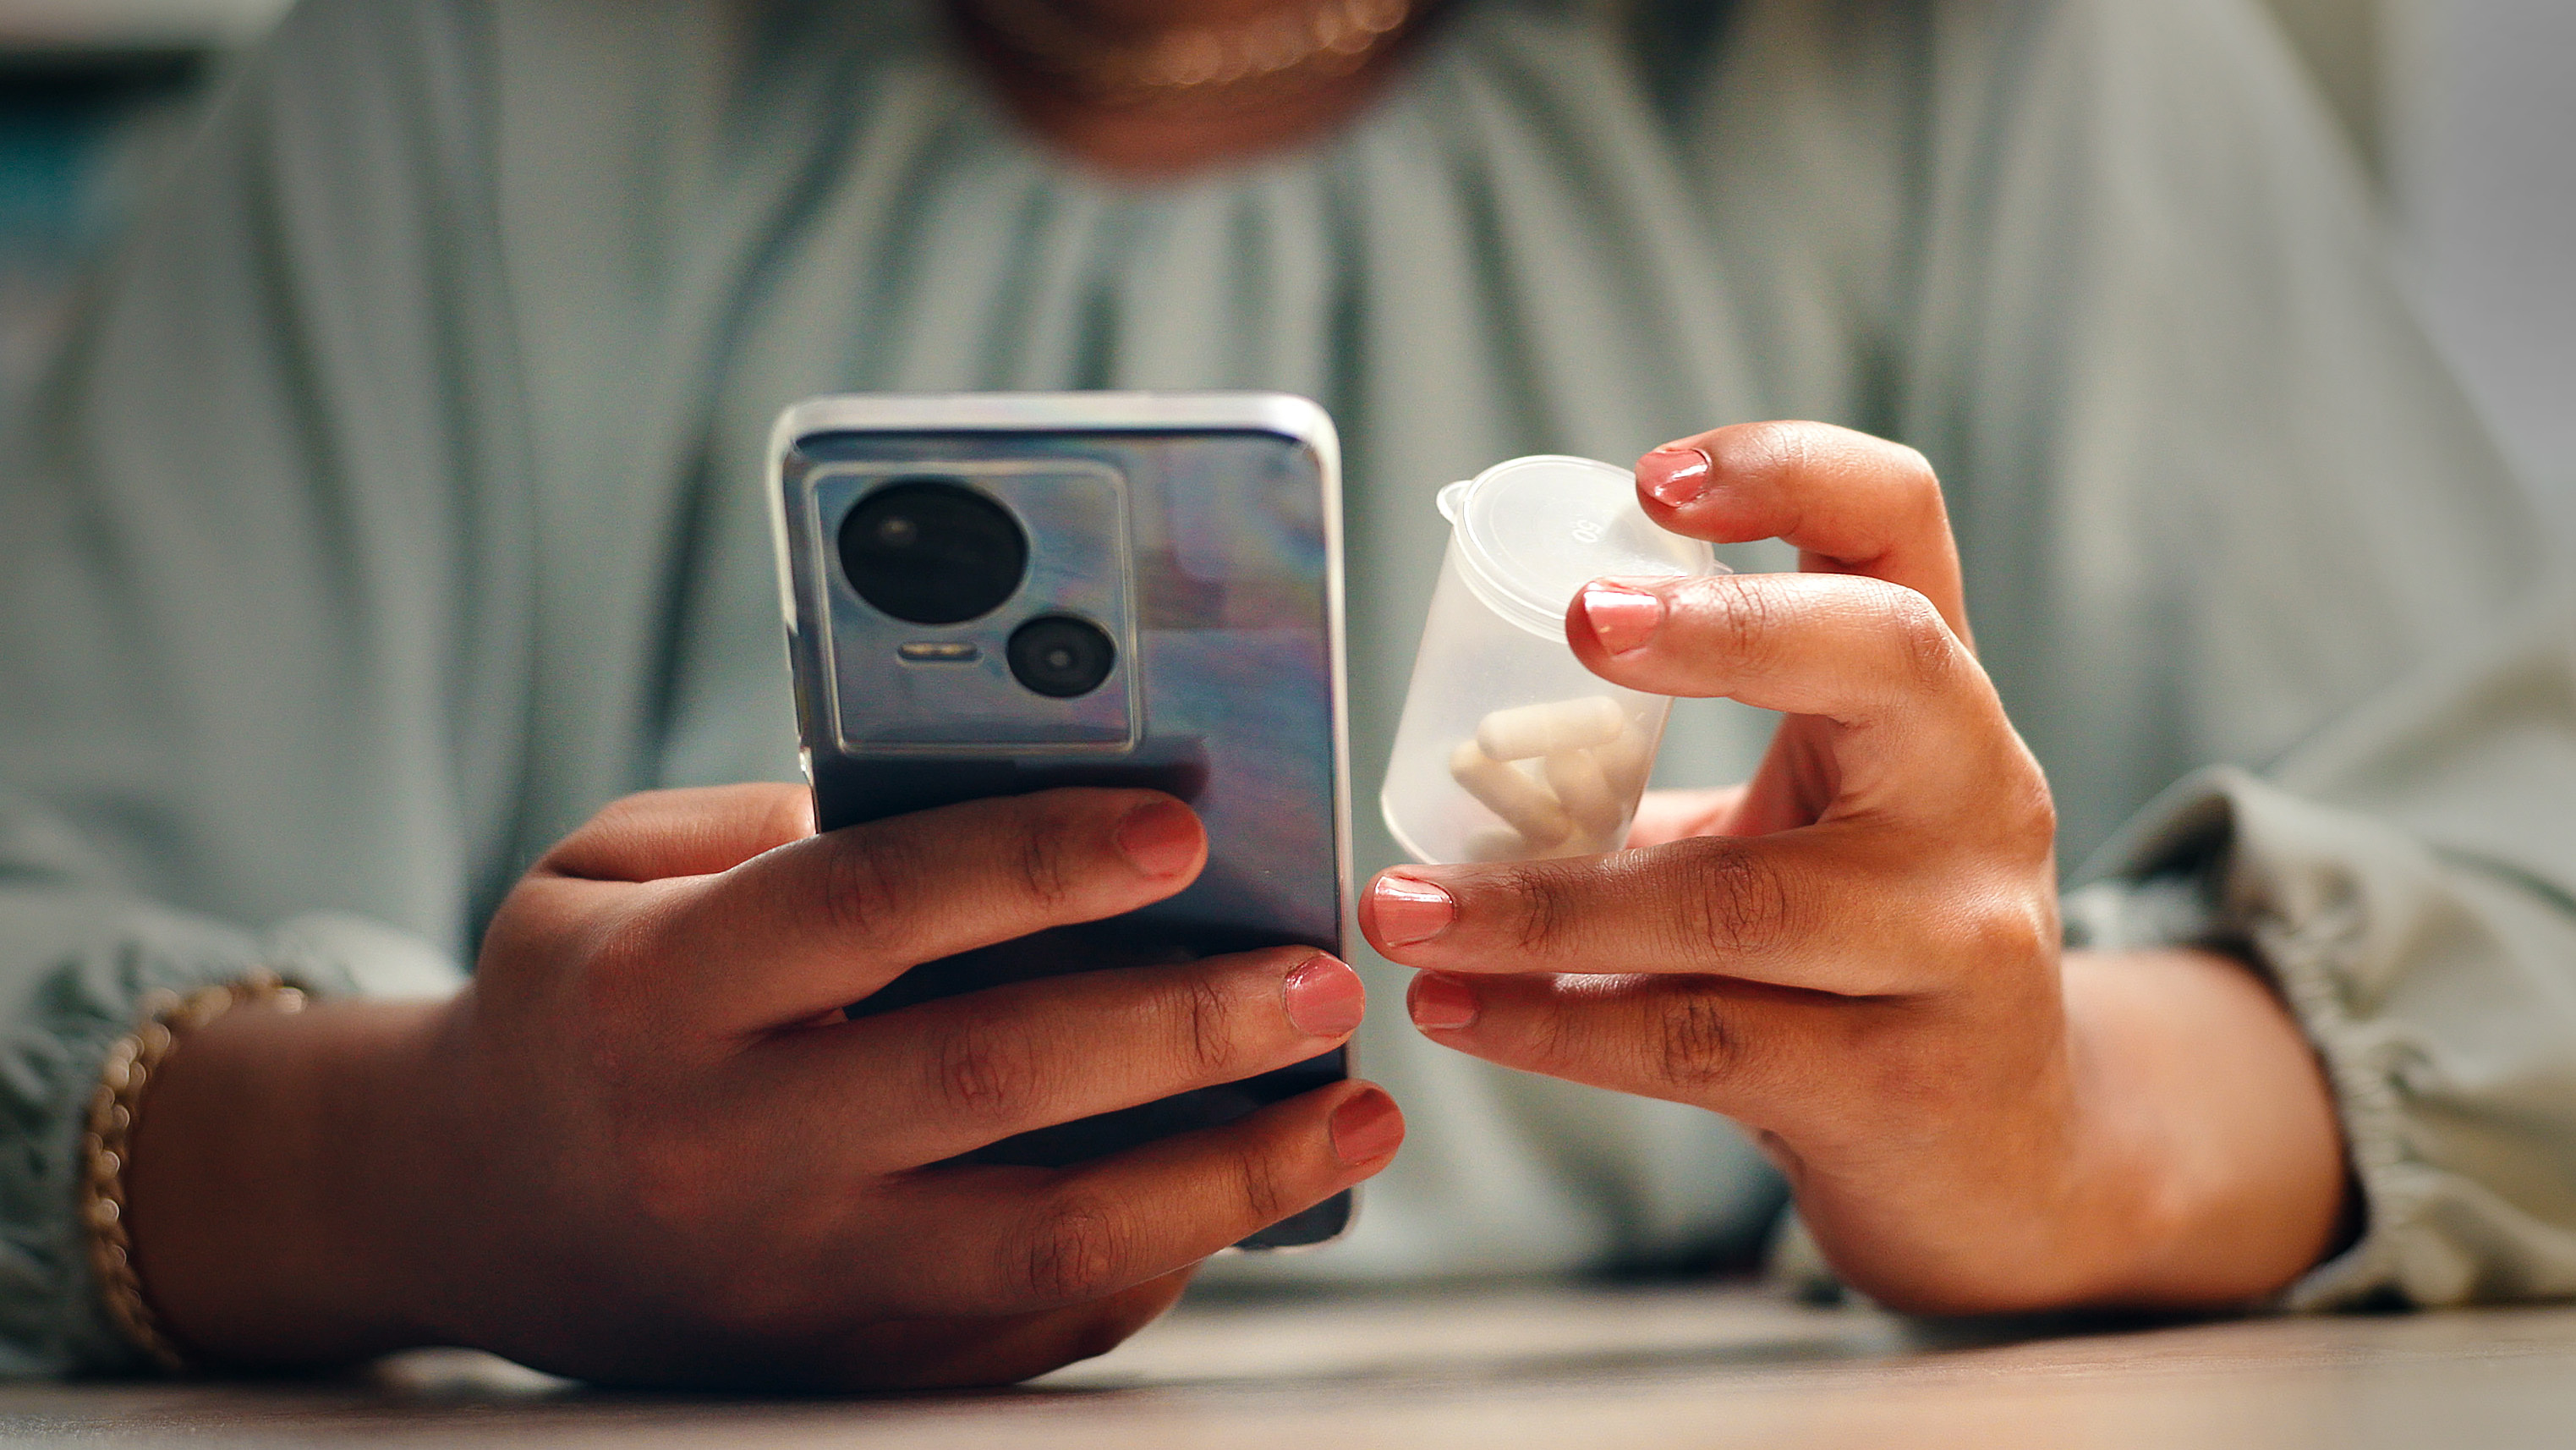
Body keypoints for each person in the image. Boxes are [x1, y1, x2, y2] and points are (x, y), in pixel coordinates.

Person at [0, 0, 2569, 1391]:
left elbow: (2539, 917)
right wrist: (423, 1171)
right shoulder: (438, 83)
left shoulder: (2011, 67)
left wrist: (2077, 1116)